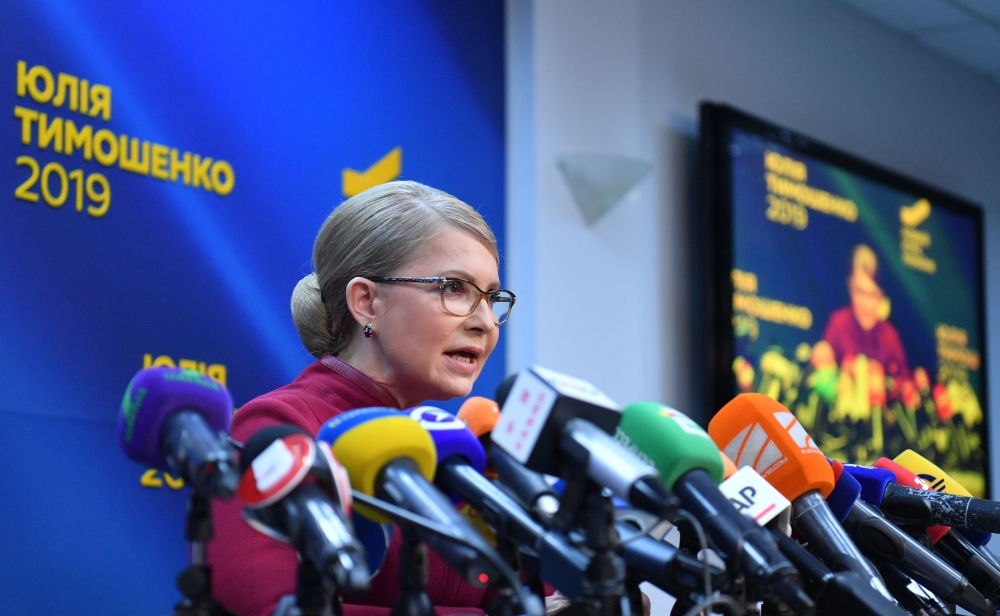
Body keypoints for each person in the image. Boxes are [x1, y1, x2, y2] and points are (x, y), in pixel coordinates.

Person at [207, 181, 516, 616]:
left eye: (491, 297)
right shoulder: (280, 427)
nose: (486, 322)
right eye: (455, 289)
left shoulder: (456, 455)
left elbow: (524, 597)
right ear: (366, 302)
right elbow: (271, 609)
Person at [818, 244, 912, 400]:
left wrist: (883, 384)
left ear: (882, 296)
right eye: (860, 292)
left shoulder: (891, 336)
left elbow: (904, 384)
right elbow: (824, 373)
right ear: (850, 287)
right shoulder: (838, 323)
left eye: (872, 295)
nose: (866, 304)